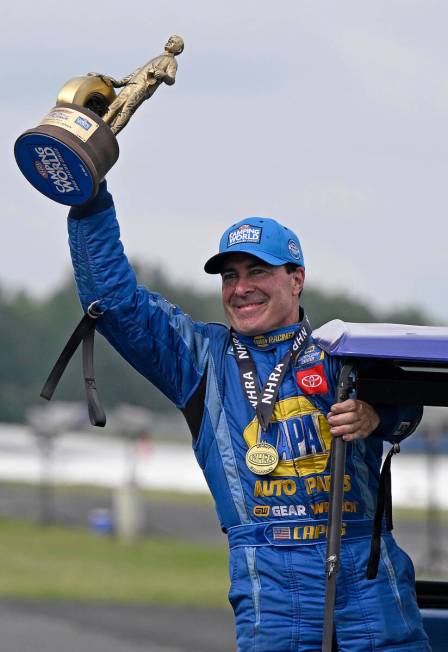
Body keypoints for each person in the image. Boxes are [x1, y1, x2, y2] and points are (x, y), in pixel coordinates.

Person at [67, 182, 430, 651]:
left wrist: (374, 416)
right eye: (229, 277)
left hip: (369, 575)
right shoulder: (199, 359)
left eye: (256, 271)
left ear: (296, 278)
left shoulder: (343, 351)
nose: (240, 289)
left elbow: (411, 408)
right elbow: (115, 304)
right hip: (270, 584)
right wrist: (88, 196)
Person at [89, 35, 184, 135]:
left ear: (178, 49)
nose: (169, 42)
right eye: (169, 40)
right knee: (113, 106)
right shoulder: (158, 57)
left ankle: (111, 133)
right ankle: (97, 128)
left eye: (173, 42)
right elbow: (137, 72)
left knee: (126, 109)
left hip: (143, 87)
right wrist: (119, 83)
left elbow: (171, 80)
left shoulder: (172, 61)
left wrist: (164, 75)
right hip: (131, 84)